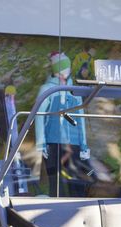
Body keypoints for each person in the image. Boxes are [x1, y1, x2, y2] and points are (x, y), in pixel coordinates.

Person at [35, 51, 91, 197]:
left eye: (67, 67)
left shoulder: (74, 91)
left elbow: (80, 118)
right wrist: (41, 142)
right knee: (55, 180)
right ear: (56, 70)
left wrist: (84, 144)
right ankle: (56, 205)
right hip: (53, 142)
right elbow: (39, 116)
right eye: (63, 67)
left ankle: (78, 205)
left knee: (75, 179)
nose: (66, 70)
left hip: (73, 143)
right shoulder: (47, 89)